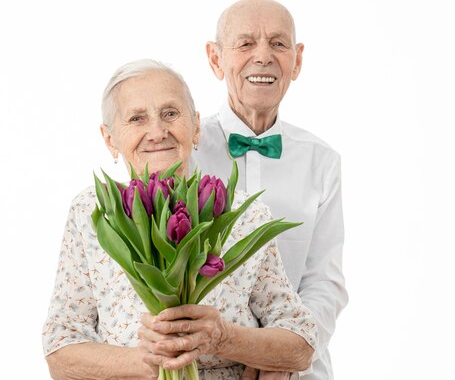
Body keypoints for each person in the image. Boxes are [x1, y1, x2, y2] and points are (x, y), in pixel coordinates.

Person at [42, 59, 316, 380]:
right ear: (109, 139)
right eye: (136, 118)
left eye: (171, 114)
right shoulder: (92, 211)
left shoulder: (246, 214)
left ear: (196, 126)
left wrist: (223, 337)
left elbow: (301, 343)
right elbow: (60, 351)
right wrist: (145, 360)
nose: (157, 132)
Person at [190, 0, 348, 380]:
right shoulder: (186, 151)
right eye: (245, 43)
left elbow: (324, 281)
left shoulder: (322, 160)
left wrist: (286, 353)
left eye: (278, 43)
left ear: (297, 60)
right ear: (215, 58)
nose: (263, 56)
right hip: (205, 367)